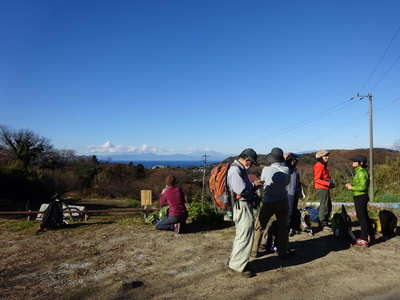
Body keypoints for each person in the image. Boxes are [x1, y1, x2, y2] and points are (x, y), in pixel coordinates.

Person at [227, 148, 263, 278]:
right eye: (251, 163)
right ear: (247, 159)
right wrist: (254, 185)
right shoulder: (235, 170)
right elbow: (241, 189)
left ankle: (236, 261)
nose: (251, 165)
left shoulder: (237, 169)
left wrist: (253, 185)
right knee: (244, 235)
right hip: (241, 206)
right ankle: (237, 266)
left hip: (242, 205)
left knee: (243, 235)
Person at [251, 147, 292, 259]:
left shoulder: (266, 170)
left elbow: (263, 183)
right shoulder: (286, 170)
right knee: (283, 227)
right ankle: (282, 251)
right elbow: (287, 183)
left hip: (268, 201)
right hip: (283, 200)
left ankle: (254, 251)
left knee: (260, 226)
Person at [345, 155, 375, 246]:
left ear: (360, 163)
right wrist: (352, 184)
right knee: (364, 216)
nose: (353, 163)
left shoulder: (361, 172)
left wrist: (351, 187)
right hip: (360, 196)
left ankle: (364, 238)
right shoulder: (359, 171)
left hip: (360, 197)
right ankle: (370, 234)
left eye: (355, 161)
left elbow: (363, 186)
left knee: (361, 217)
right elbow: (360, 183)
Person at [313, 150, 334, 231]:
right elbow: (317, 180)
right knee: (324, 206)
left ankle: (324, 222)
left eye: (327, 156)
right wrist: (328, 183)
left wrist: (329, 182)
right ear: (320, 158)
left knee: (328, 205)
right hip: (321, 188)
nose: (327, 157)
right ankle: (323, 224)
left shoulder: (323, 165)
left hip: (325, 187)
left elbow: (324, 177)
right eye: (325, 156)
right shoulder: (319, 166)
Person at [284, 152, 302, 236]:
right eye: (295, 160)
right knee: (289, 212)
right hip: (288, 194)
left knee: (294, 211)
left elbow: (298, 182)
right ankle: (286, 229)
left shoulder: (295, 170)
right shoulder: (286, 169)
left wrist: (299, 192)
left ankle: (292, 228)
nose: (296, 162)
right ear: (291, 160)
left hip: (294, 193)